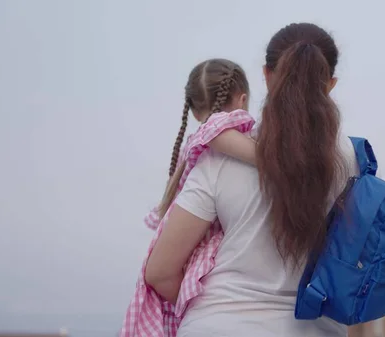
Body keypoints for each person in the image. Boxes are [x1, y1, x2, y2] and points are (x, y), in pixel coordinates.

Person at [145, 23, 359, 337]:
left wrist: (213, 312)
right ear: (330, 84)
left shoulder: (220, 154)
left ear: (267, 75)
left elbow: (160, 272)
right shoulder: (352, 159)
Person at [121, 58, 256, 337]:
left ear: (193, 109)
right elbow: (215, 129)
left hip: (181, 295)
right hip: (200, 290)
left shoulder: (192, 152)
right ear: (242, 100)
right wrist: (281, 162)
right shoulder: (212, 139)